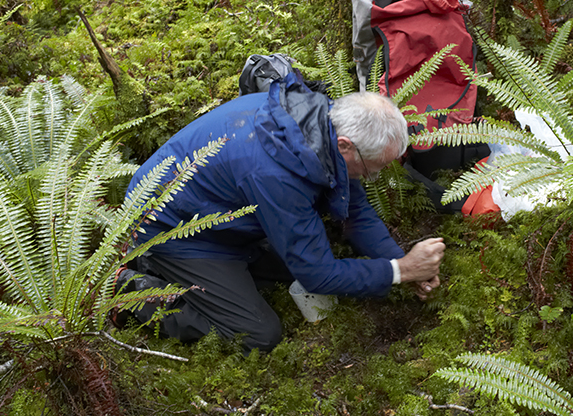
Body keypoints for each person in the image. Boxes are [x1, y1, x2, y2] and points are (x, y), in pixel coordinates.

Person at [114, 70, 445, 352]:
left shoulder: (319, 122)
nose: (371, 177)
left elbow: (354, 208)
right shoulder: (275, 173)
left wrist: (397, 260)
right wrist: (400, 270)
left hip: (218, 212)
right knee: (258, 334)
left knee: (303, 263)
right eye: (373, 168)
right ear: (345, 144)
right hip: (171, 229)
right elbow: (319, 274)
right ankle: (131, 291)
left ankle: (212, 273)